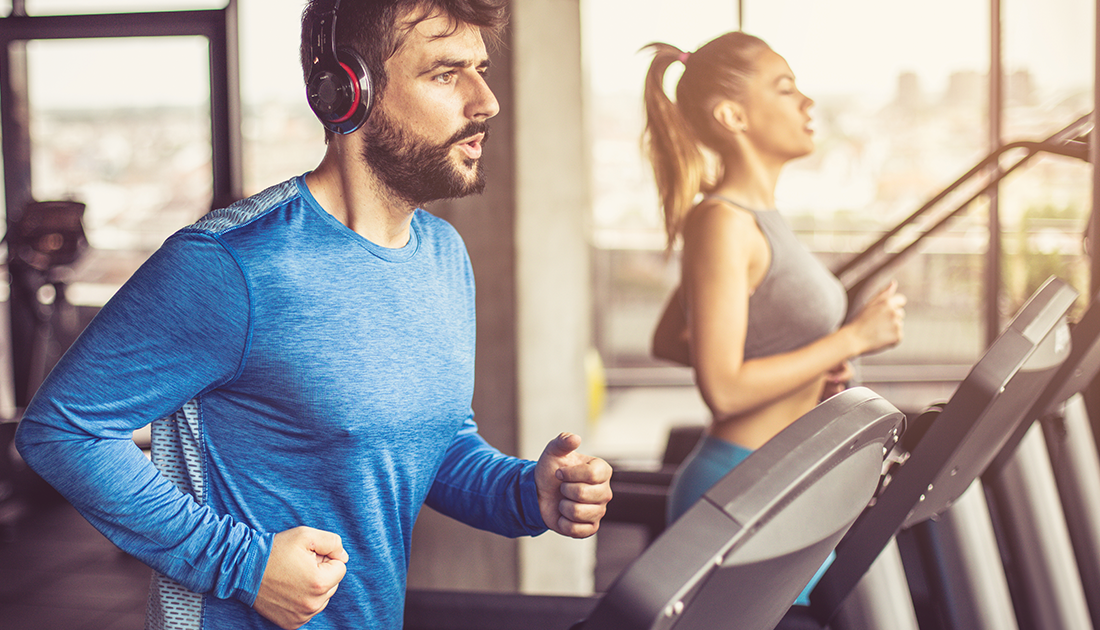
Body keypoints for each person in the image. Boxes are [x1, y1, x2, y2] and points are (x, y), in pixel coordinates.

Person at [14, 1, 613, 629]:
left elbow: (424, 445)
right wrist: (241, 564)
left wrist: (524, 492)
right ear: (346, 90)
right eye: (445, 73)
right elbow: (61, 430)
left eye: (481, 69)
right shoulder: (230, 263)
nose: (485, 100)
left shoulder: (442, 255)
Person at [642, 32, 905, 604]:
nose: (808, 103)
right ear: (733, 115)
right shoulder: (721, 222)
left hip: (783, 477)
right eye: (786, 89)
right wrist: (849, 340)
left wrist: (804, 368)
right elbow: (725, 388)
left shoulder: (753, 218)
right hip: (740, 482)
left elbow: (672, 338)